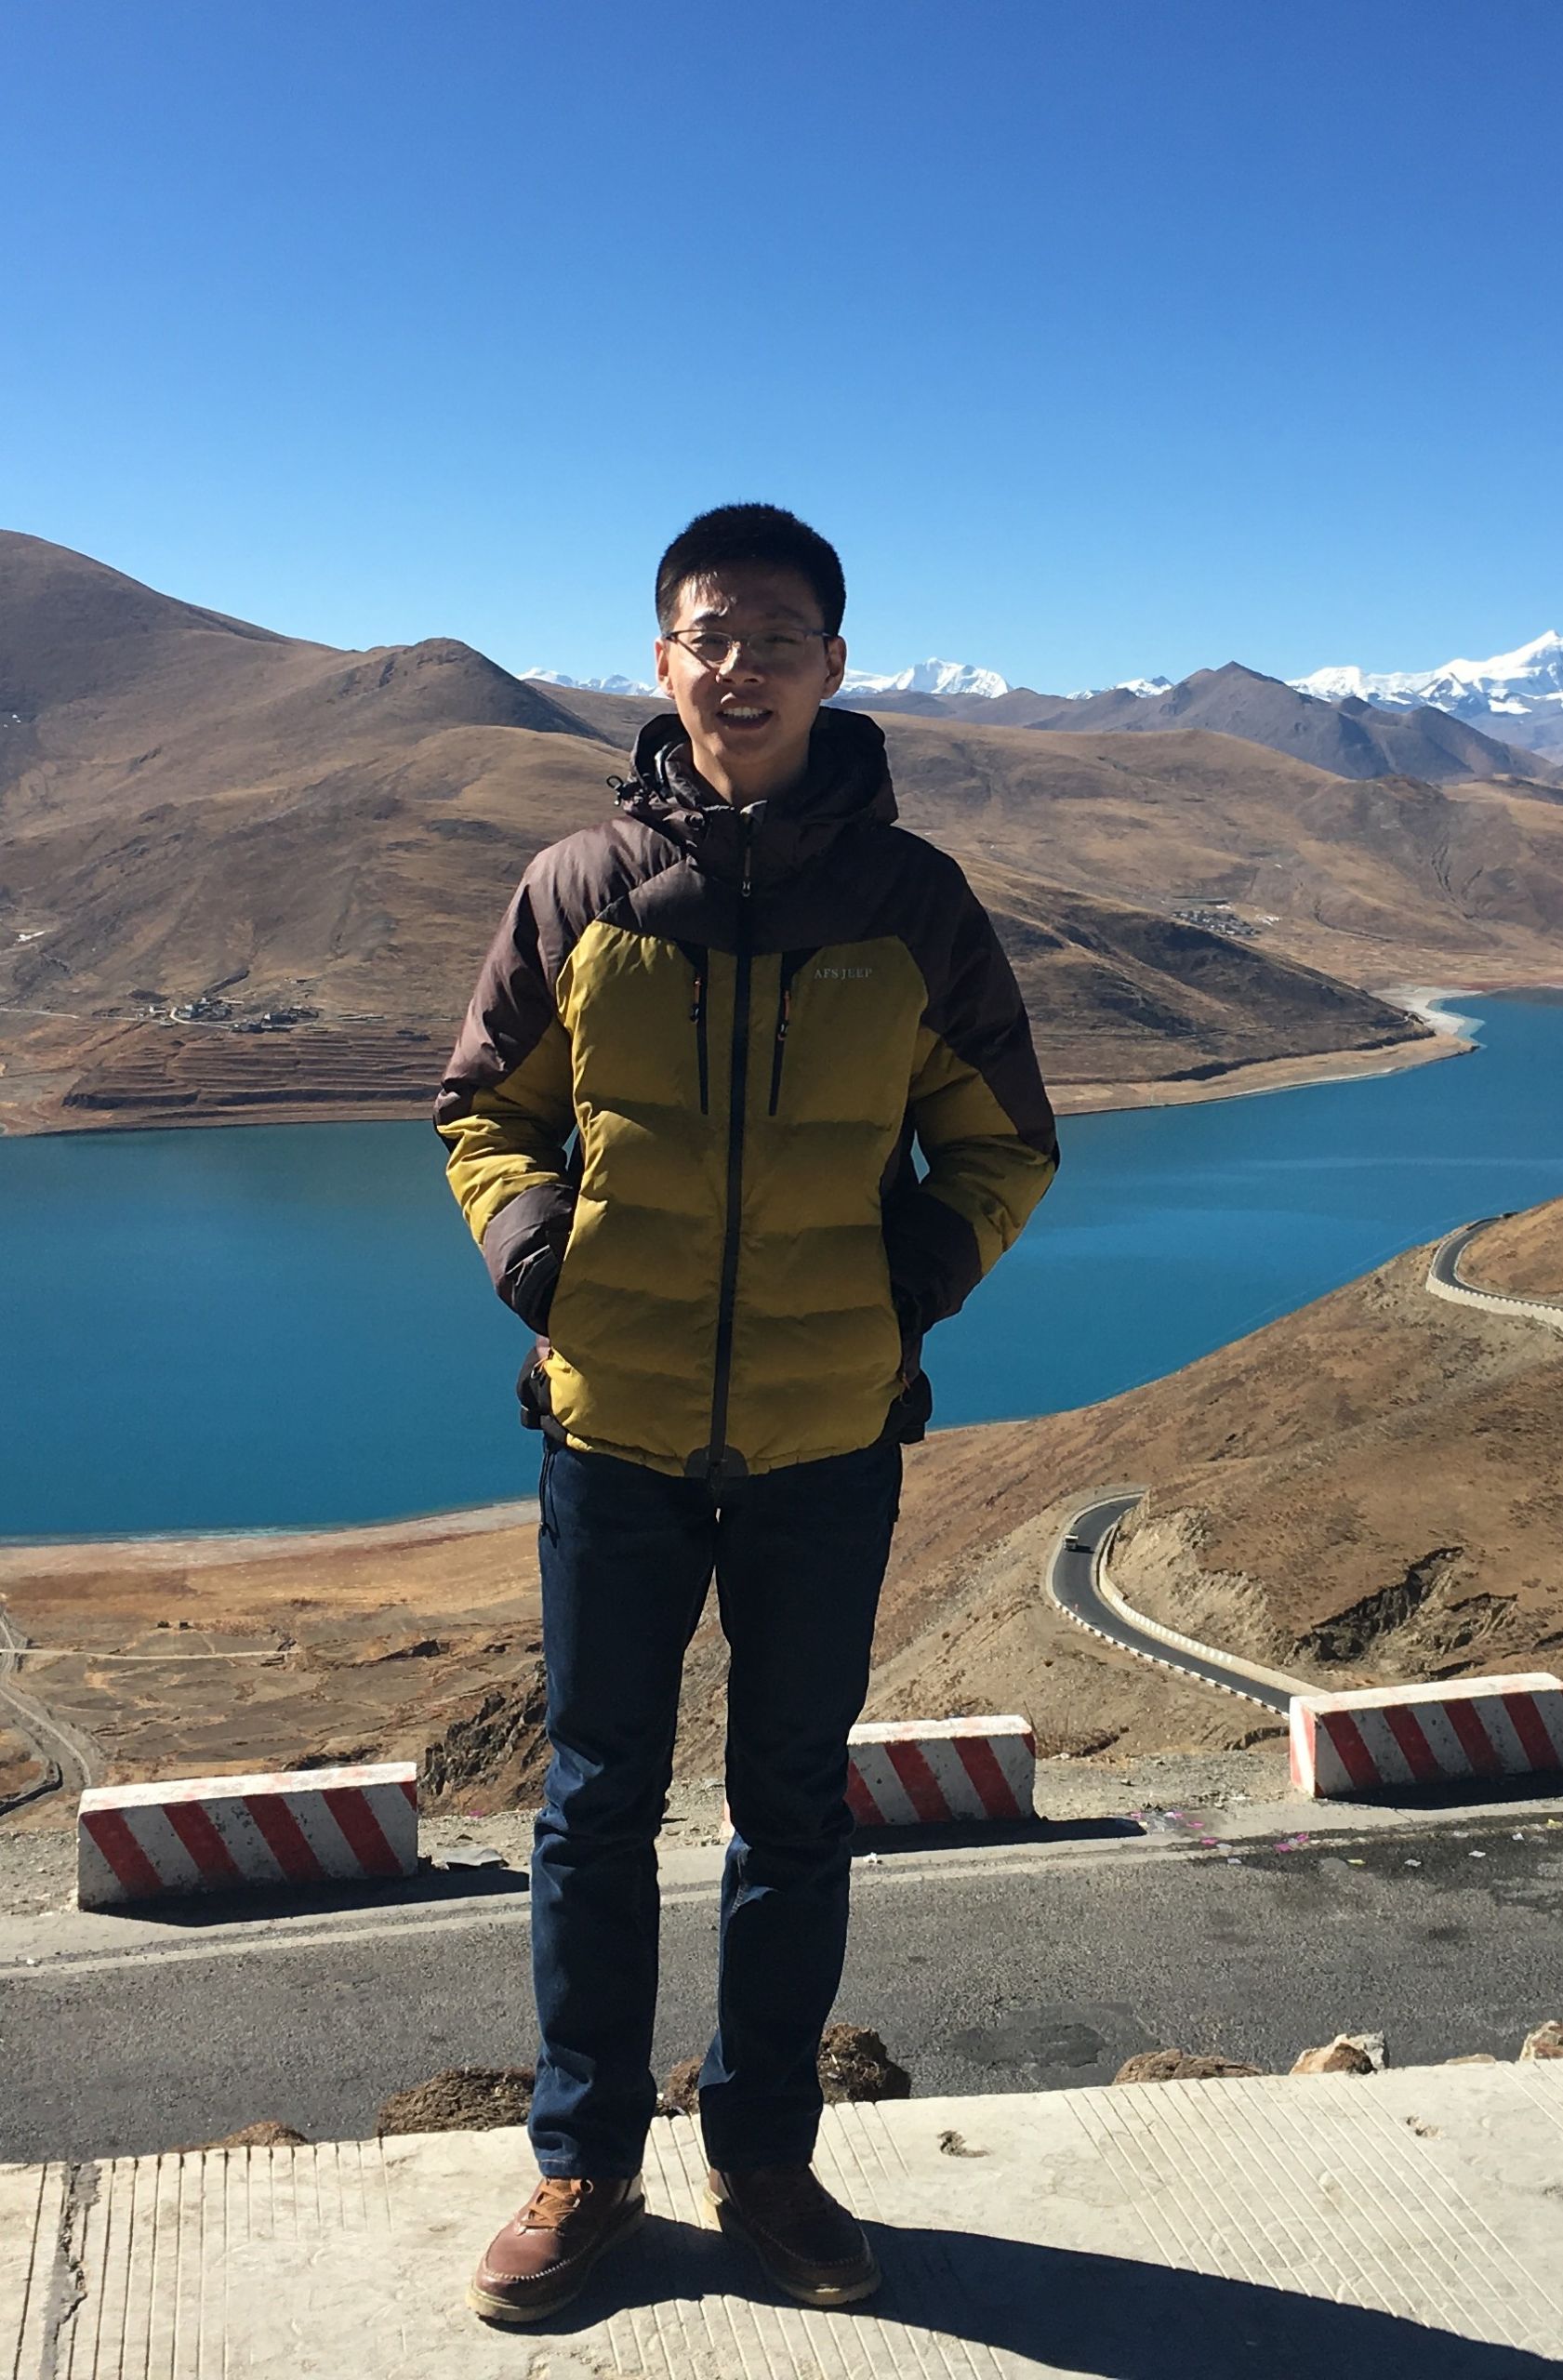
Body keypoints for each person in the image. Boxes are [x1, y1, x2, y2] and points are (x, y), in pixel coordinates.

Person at [435, 503, 1058, 2325]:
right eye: (710, 635)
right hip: (610, 1428)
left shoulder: (912, 904)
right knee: (593, 1801)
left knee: (790, 1803)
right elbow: (483, 1111)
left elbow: (1004, 1139)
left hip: (827, 1437)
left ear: (833, 665)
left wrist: (907, 1280)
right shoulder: (580, 890)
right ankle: (584, 2160)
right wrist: (537, 1252)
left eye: (777, 635)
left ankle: (766, 2157)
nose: (742, 666)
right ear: (662, 662)